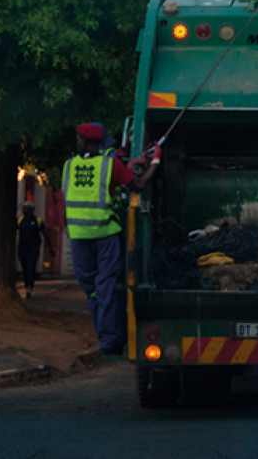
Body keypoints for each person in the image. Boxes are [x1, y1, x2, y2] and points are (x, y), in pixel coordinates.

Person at [64, 123, 160, 355]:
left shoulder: (69, 166)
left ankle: (106, 334)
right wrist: (154, 163)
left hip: (79, 237)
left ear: (82, 142)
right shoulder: (110, 165)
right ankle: (109, 339)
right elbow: (138, 184)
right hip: (105, 235)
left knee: (93, 290)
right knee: (106, 287)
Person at [16, 201, 55, 299]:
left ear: (31, 209)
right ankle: (26, 286)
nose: (24, 210)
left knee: (31, 266)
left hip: (33, 248)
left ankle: (29, 288)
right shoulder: (20, 220)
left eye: (26, 208)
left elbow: (45, 234)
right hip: (22, 247)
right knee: (24, 268)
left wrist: (51, 248)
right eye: (23, 208)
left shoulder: (37, 221)